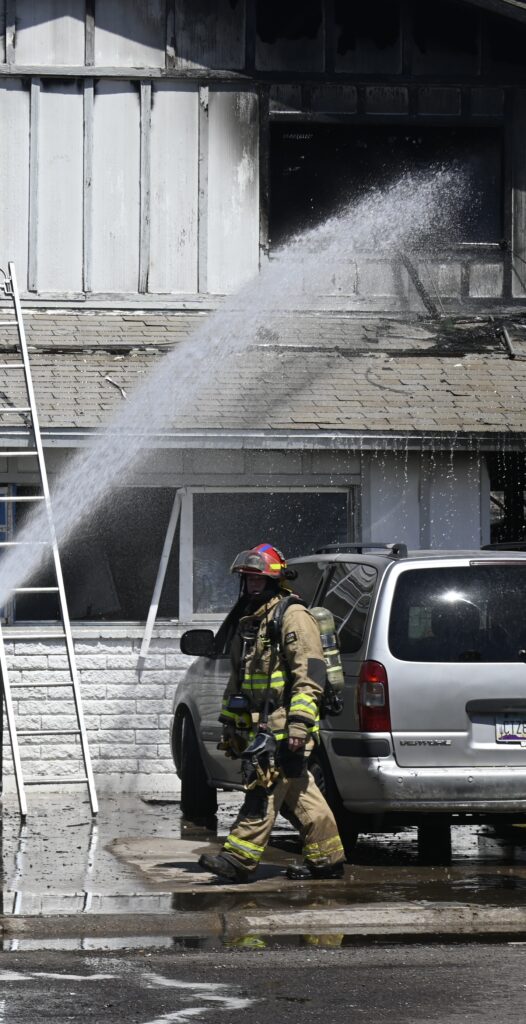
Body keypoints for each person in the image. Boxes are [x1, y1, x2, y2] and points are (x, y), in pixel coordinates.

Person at [198, 542, 345, 884]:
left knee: (262, 787)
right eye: (248, 579)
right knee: (300, 793)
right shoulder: (252, 620)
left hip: (284, 724)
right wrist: (231, 723)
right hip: (261, 725)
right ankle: (328, 860)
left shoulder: (293, 617)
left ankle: (238, 859)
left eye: (258, 579)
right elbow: (239, 679)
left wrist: (299, 726)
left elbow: (310, 675)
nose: (252, 585)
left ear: (274, 580)